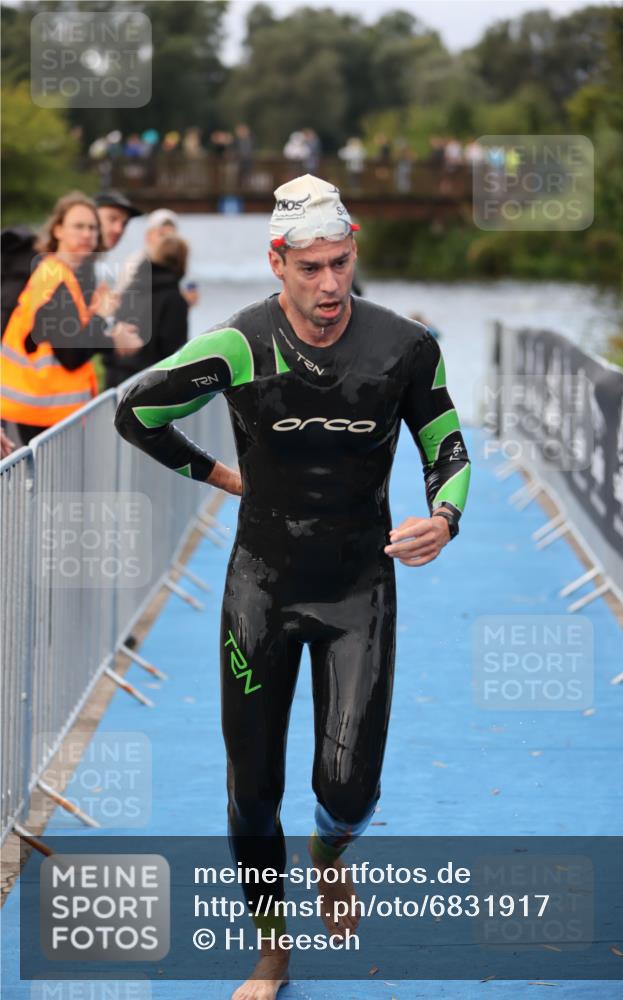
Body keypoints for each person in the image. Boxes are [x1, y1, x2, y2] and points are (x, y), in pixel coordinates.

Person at [115, 174, 470, 1000]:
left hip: (357, 591)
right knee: (251, 790)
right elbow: (136, 415)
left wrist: (444, 517)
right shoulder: (238, 344)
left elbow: (445, 446)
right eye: (309, 268)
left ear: (354, 256)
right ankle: (271, 948)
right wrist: (218, 476)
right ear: (277, 261)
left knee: (349, 788)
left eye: (341, 264)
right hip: (261, 592)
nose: (329, 285)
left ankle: (328, 858)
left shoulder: (404, 346)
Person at [1, 192, 140, 444]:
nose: (87, 234)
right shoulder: (55, 279)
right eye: (78, 226)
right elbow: (71, 355)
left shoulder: (61, 274)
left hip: (43, 411)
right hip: (37, 413)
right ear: (57, 230)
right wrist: (101, 316)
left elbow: (69, 337)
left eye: (92, 228)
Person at [103, 234, 189, 388]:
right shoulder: (174, 299)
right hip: (148, 386)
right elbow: (174, 353)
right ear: (181, 261)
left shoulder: (131, 288)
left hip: (114, 381)